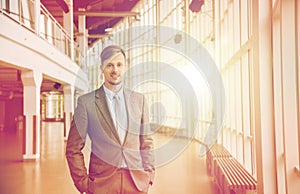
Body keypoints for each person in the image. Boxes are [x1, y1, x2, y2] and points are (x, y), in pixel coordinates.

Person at [66, 45, 155, 194]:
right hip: (102, 183)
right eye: (110, 65)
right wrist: (84, 183)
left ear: (125, 67)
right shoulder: (86, 103)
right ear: (101, 67)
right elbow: (73, 149)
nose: (115, 70)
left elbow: (146, 142)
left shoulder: (139, 100)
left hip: (136, 182)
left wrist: (149, 175)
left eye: (119, 65)